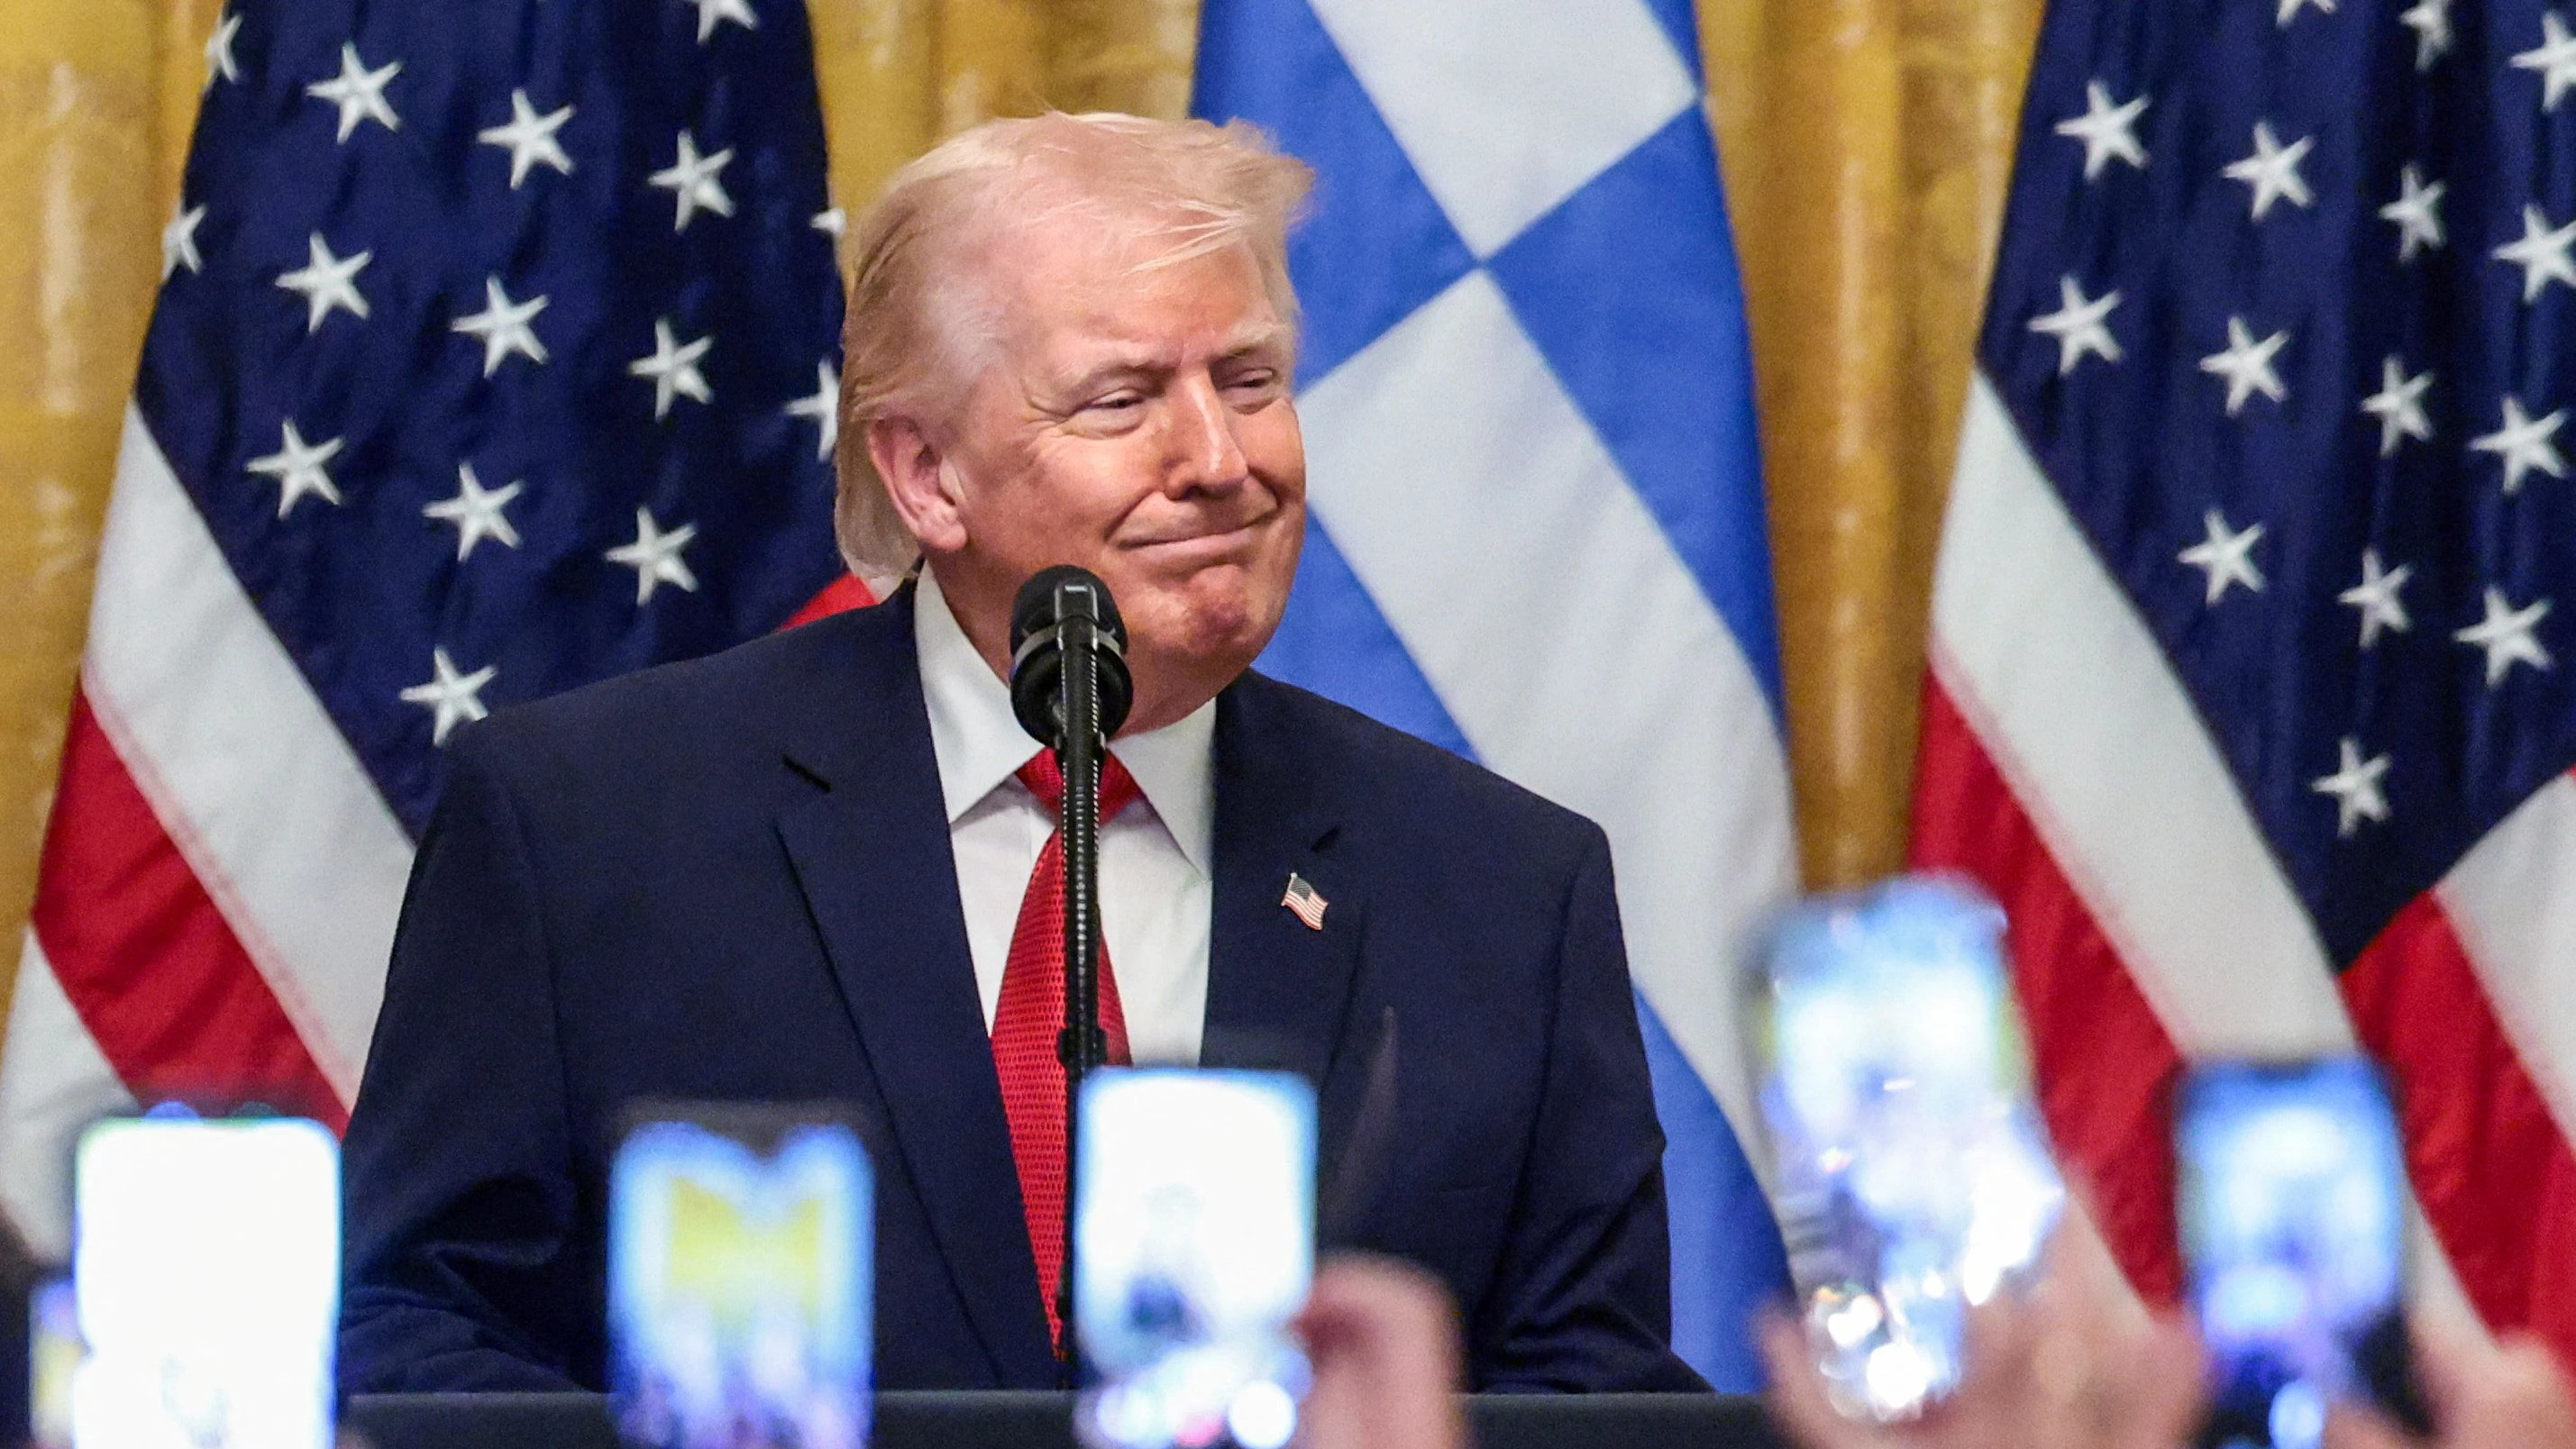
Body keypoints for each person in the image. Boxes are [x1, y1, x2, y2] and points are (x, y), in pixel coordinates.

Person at [338, 112, 1705, 1396]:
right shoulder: (592, 826)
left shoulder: (1503, 886)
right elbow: (417, 1328)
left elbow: (1587, 1393)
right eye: (1120, 400)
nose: (1220, 459)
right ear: (927, 476)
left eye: (1249, 381)